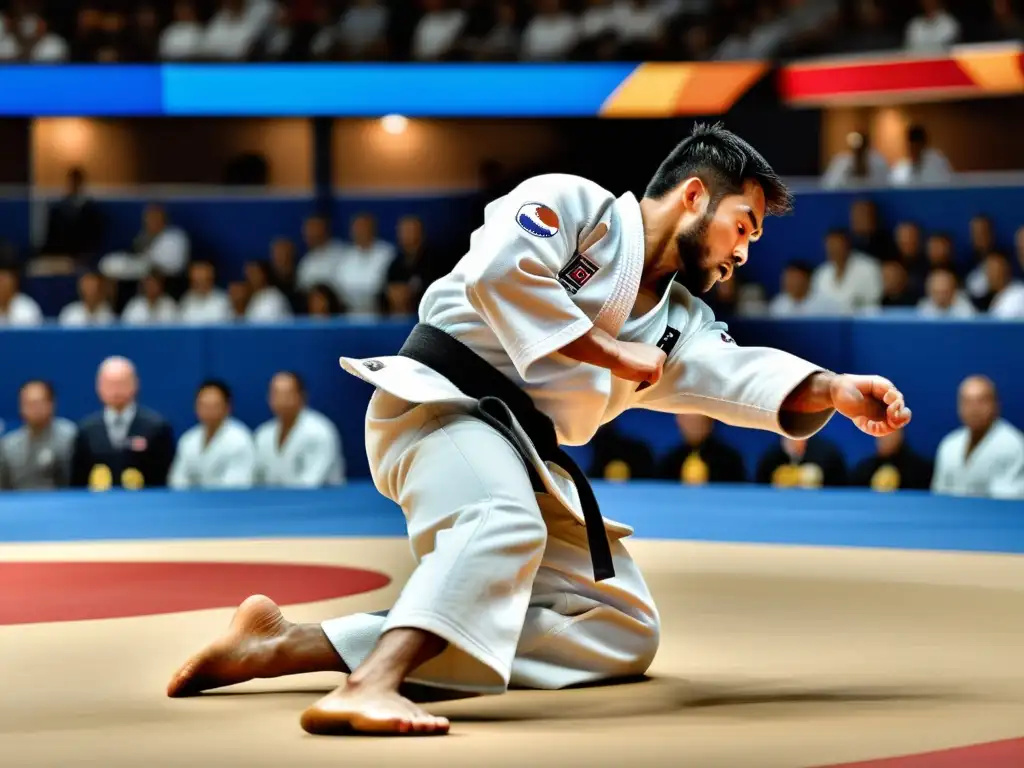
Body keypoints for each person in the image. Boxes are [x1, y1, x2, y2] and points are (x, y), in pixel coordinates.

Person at [167, 123, 912, 736]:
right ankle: (370, 684)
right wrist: (608, 349)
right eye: (740, 225)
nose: (744, 251)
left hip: (522, 450)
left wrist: (835, 388)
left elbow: (733, 372)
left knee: (620, 627)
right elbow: (501, 275)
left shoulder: (679, 321)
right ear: (693, 196)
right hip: (440, 405)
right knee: (502, 522)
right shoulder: (574, 205)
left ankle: (285, 643)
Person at [70, 356, 176, 490]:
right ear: (99, 386)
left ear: (135, 384)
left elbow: (166, 478)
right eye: (110, 384)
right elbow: (77, 481)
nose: (116, 390)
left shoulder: (156, 427)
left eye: (122, 383)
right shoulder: (86, 430)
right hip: (98, 506)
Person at [932, 376, 1024, 499]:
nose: (974, 409)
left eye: (981, 401)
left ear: (996, 405)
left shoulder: (1013, 444)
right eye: (967, 402)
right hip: (951, 515)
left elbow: (1009, 499)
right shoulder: (949, 444)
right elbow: (938, 494)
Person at [253, 371, 344, 487]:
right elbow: (258, 481)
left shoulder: (319, 431)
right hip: (275, 502)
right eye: (276, 394)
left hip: (321, 501)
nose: (281, 400)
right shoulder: (263, 434)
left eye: (287, 394)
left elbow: (313, 482)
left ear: (302, 396)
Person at [169, 380, 257, 490]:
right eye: (204, 405)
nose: (208, 410)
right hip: (191, 503)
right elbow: (178, 480)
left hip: (228, 503)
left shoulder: (240, 439)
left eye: (214, 405)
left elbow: (237, 484)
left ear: (227, 407)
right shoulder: (188, 440)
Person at [0, 380, 77, 490]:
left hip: (62, 502)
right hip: (21, 504)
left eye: (38, 403)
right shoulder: (8, 445)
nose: (34, 409)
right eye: (28, 403)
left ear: (51, 404)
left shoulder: (70, 437)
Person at [657, 414, 746, 485]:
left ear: (710, 421)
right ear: (679, 421)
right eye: (688, 421)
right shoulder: (669, 459)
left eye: (697, 421)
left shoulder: (729, 459)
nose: (693, 426)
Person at [850, 430, 932, 491]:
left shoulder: (919, 471)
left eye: (890, 431)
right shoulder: (864, 470)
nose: (885, 437)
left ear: (901, 433)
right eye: (881, 431)